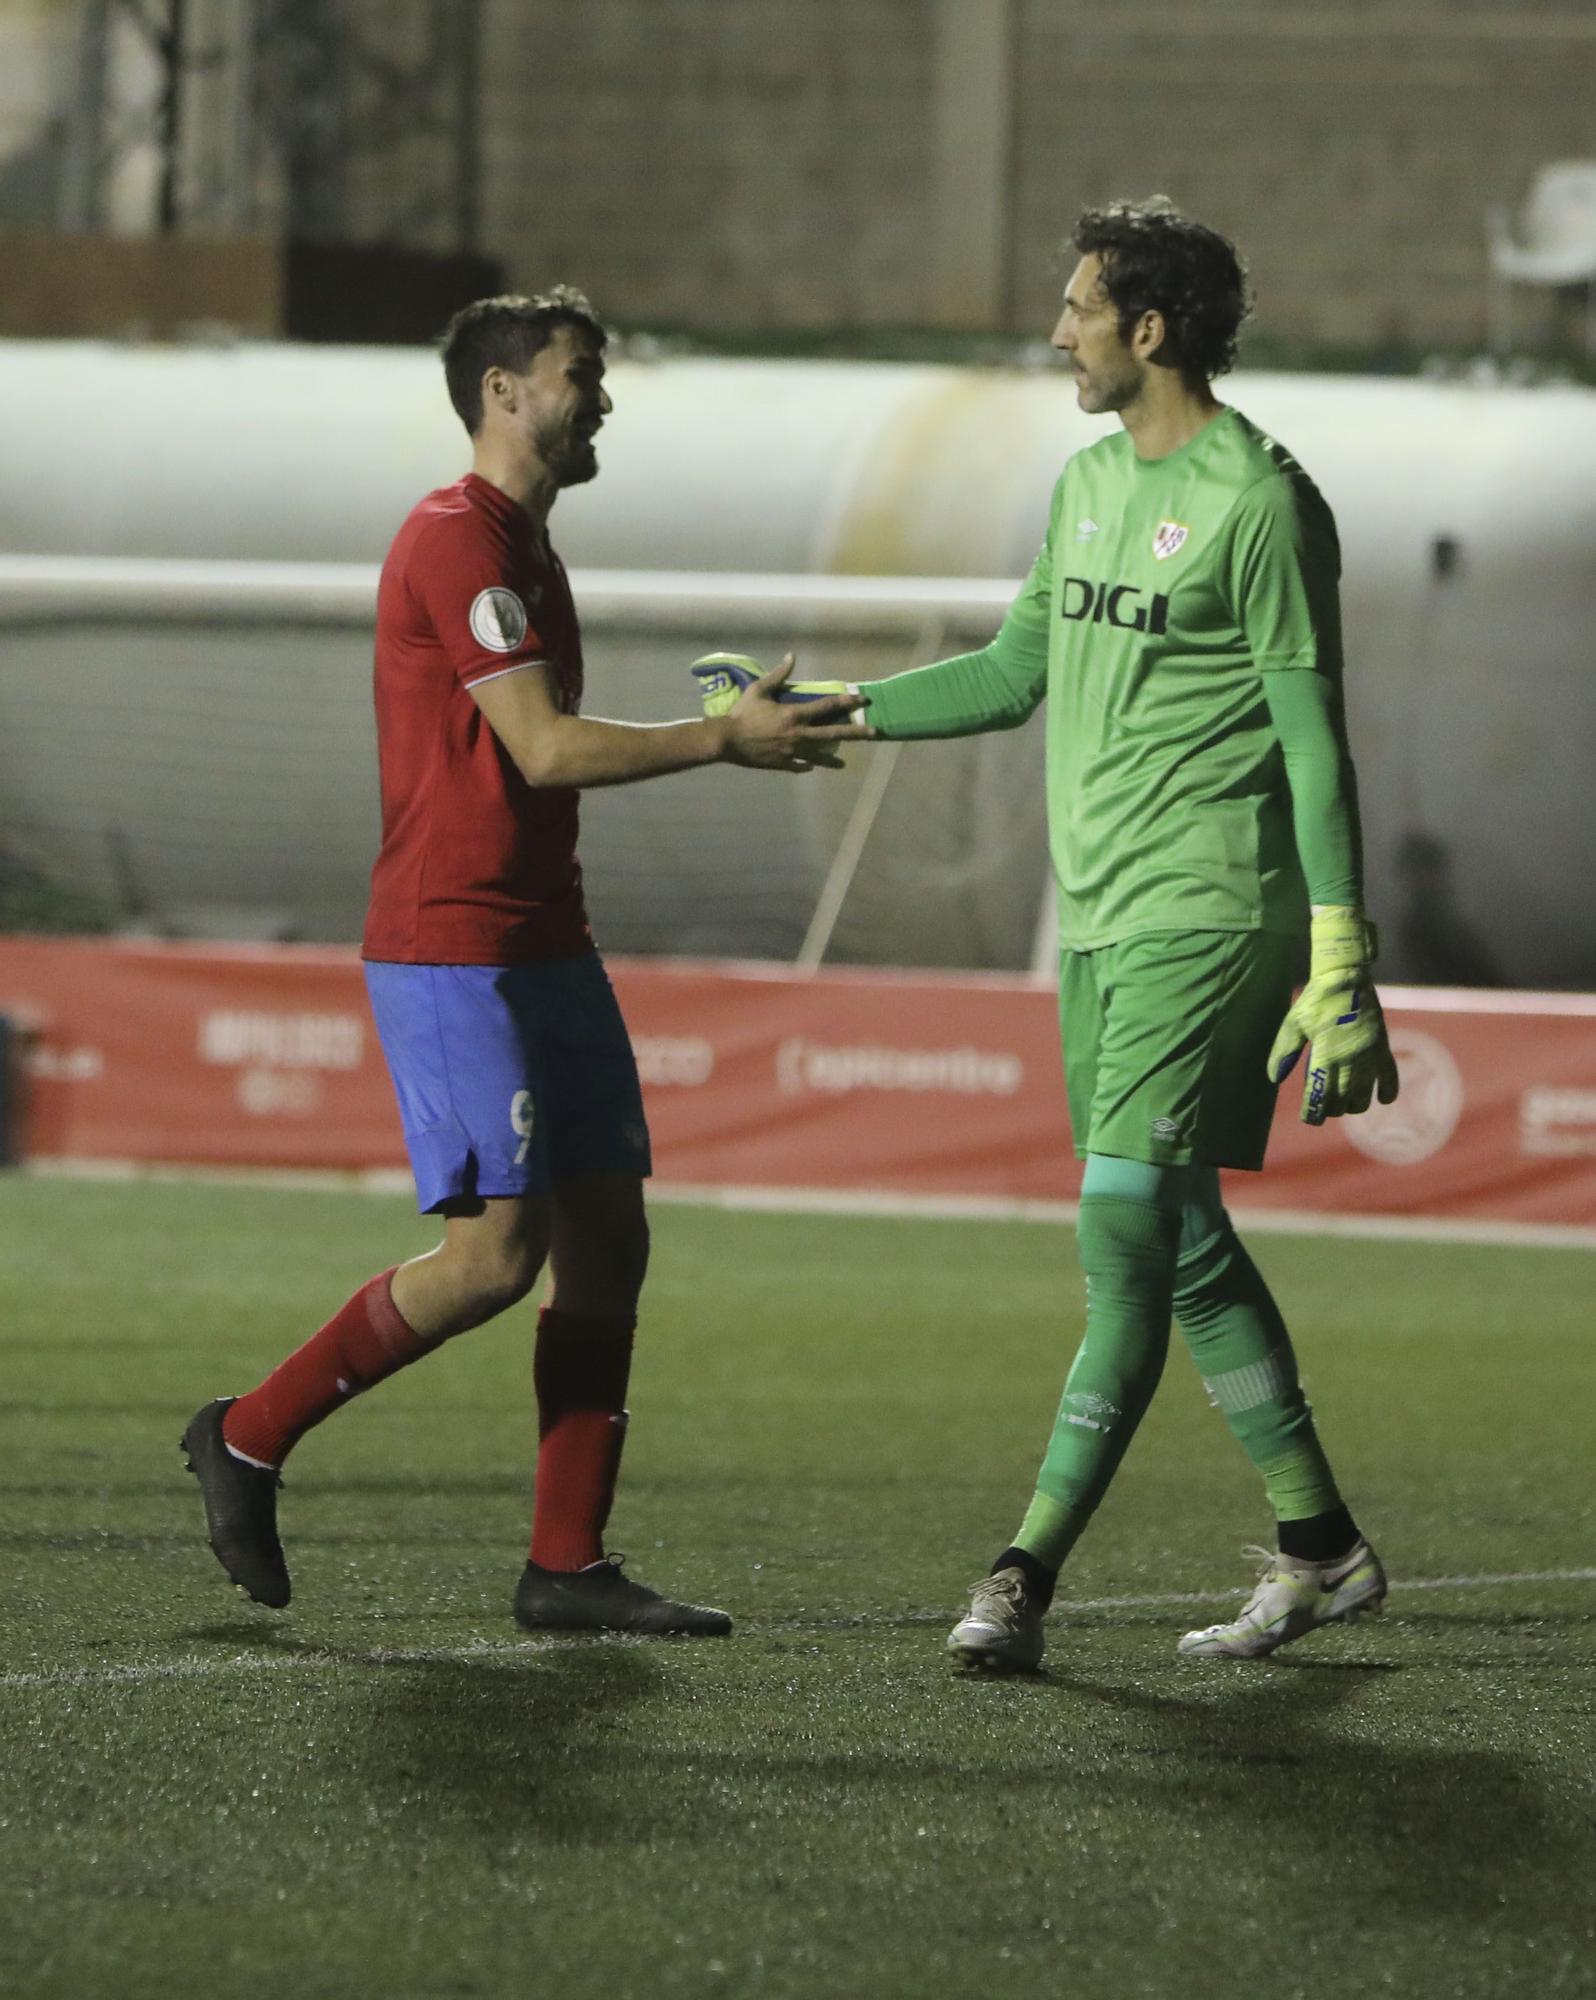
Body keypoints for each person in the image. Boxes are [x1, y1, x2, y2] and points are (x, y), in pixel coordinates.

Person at [181, 287, 857, 1634]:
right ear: (502, 391)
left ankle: (566, 1565)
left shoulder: (531, 551)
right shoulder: (455, 542)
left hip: (547, 937)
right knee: (495, 1259)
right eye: (578, 373)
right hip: (455, 947)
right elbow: (543, 748)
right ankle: (247, 1434)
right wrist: (721, 740)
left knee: (611, 1240)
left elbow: (539, 759)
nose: (599, 396)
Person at [856, 200, 1399, 1670]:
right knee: (1182, 1236)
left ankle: (1021, 1574)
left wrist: (1340, 947)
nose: (1057, 333)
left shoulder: (1263, 502)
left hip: (1212, 910)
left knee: (1116, 1219)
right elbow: (1014, 670)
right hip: (1097, 923)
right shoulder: (1091, 483)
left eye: (1078, 307)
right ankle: (1320, 1547)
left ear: (1146, 329)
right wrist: (836, 714)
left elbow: (1314, 744)